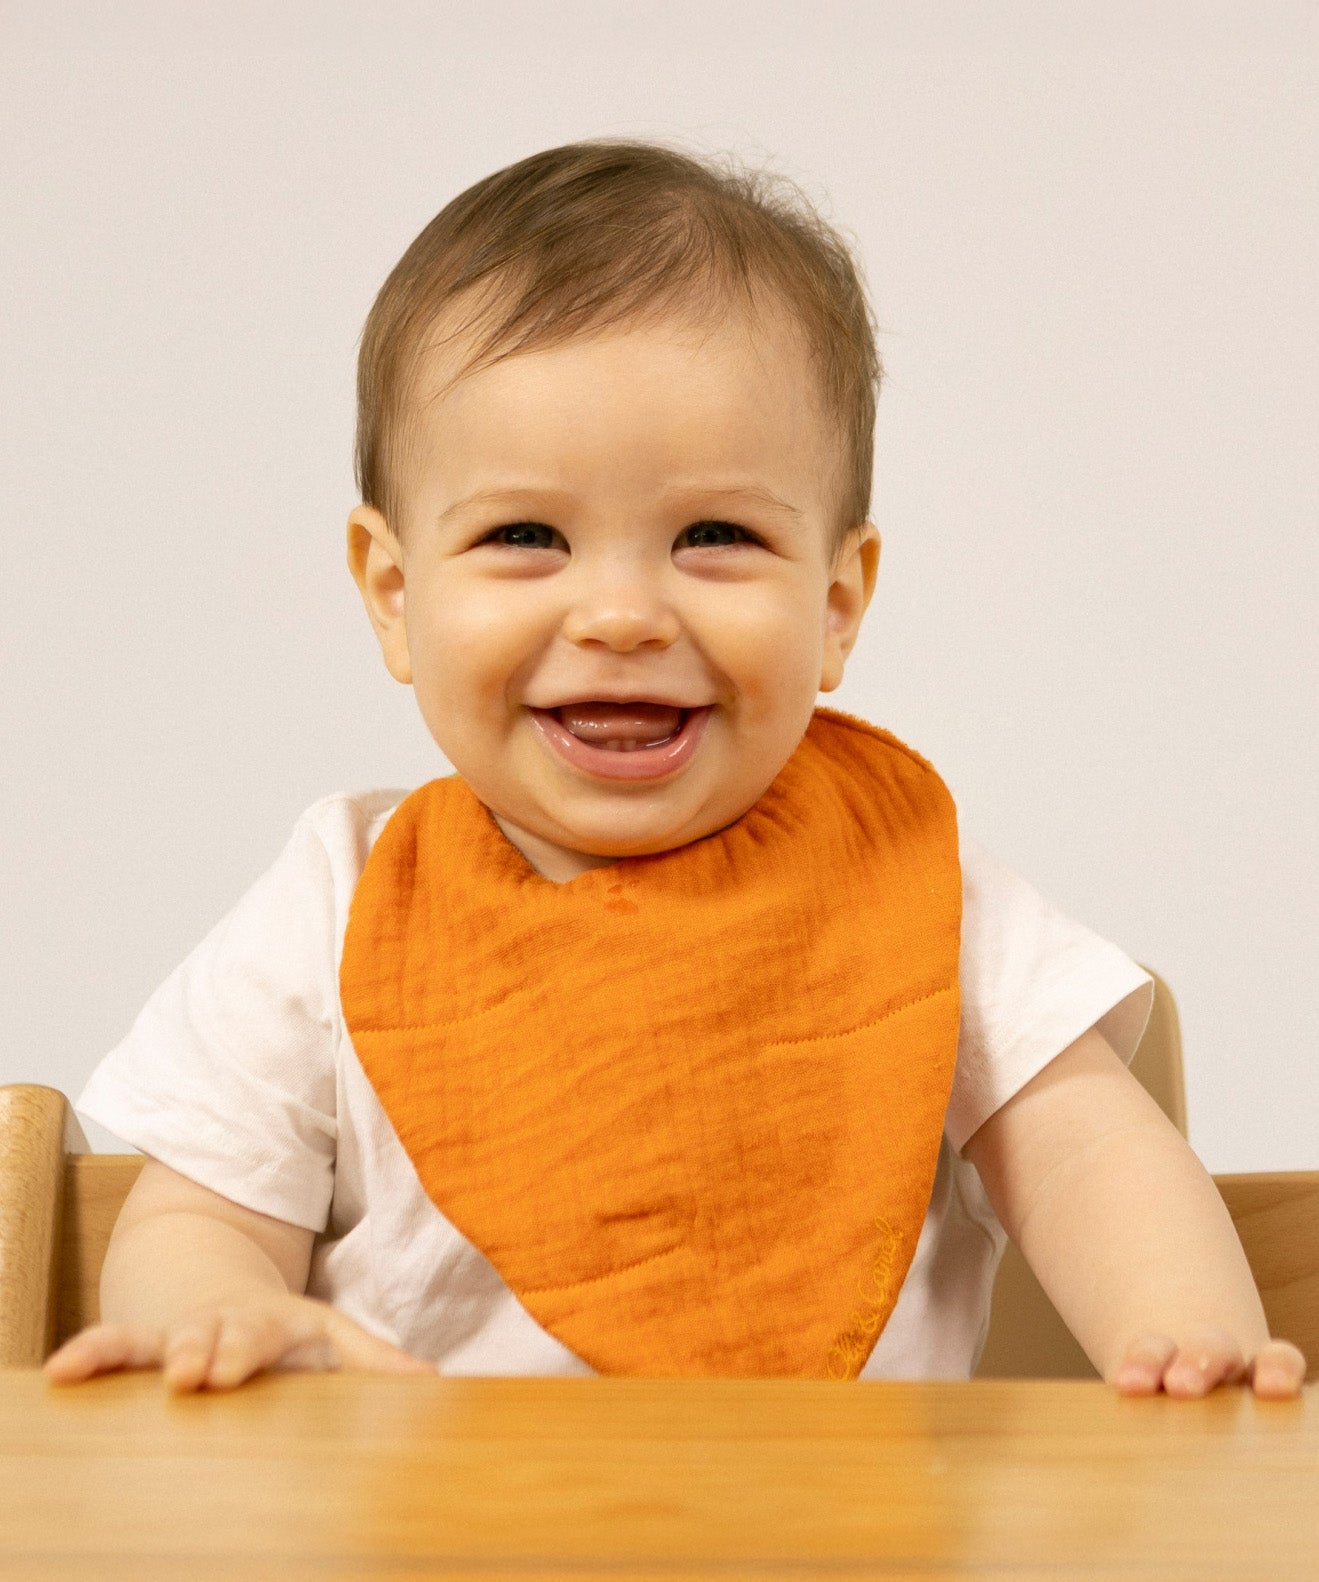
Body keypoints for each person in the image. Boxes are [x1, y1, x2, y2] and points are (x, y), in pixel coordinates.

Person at [46, 140, 1305, 1398]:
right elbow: (197, 1217)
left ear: (834, 603)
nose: (620, 614)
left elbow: (1088, 1156)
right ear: (393, 592)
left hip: (832, 1506)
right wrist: (222, 1316)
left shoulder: (916, 898)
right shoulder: (336, 904)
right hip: (422, 1502)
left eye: (713, 534)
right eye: (525, 534)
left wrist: (1186, 1342)